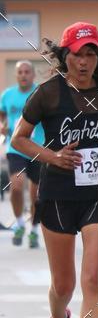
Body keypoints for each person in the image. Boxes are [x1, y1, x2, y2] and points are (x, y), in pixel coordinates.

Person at [12, 21, 98, 318]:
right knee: (64, 284)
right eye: (77, 53)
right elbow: (20, 139)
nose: (84, 60)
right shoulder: (47, 93)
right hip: (58, 196)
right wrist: (53, 157)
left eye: (91, 52)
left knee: (94, 280)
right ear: (65, 56)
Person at [0, 60, 45, 247]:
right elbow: (2, 114)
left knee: (36, 195)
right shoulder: (8, 95)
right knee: (16, 187)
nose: (24, 75)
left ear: (33, 75)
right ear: (17, 75)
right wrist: (3, 125)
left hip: (37, 148)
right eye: (20, 72)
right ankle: (19, 224)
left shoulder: (41, 94)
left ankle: (34, 229)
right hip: (16, 147)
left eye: (27, 72)